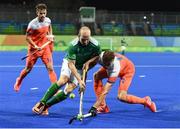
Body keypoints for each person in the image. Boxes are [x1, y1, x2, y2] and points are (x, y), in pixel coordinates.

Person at [32, 26, 101, 115]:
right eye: (83, 39)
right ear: (78, 36)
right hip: (70, 63)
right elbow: (71, 65)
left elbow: (97, 56)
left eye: (87, 39)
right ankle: (42, 102)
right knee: (63, 80)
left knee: (69, 90)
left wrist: (88, 64)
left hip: (81, 68)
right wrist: (80, 80)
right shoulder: (73, 45)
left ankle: (46, 106)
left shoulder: (95, 45)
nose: (85, 42)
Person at [83, 50, 157, 116]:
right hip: (118, 65)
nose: (106, 66)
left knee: (121, 96)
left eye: (108, 64)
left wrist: (94, 107)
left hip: (127, 70)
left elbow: (105, 91)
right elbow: (88, 63)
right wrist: (83, 79)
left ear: (112, 61)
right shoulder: (99, 56)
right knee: (96, 76)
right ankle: (103, 107)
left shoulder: (115, 67)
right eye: (105, 64)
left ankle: (145, 101)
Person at [13, 3, 57, 92]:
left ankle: (55, 89)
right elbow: (27, 38)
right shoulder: (32, 24)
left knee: (50, 68)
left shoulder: (48, 20)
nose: (43, 15)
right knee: (28, 69)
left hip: (45, 48)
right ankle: (19, 80)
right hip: (34, 49)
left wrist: (50, 35)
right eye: (41, 13)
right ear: (37, 13)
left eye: (44, 13)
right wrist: (35, 46)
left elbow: (49, 27)